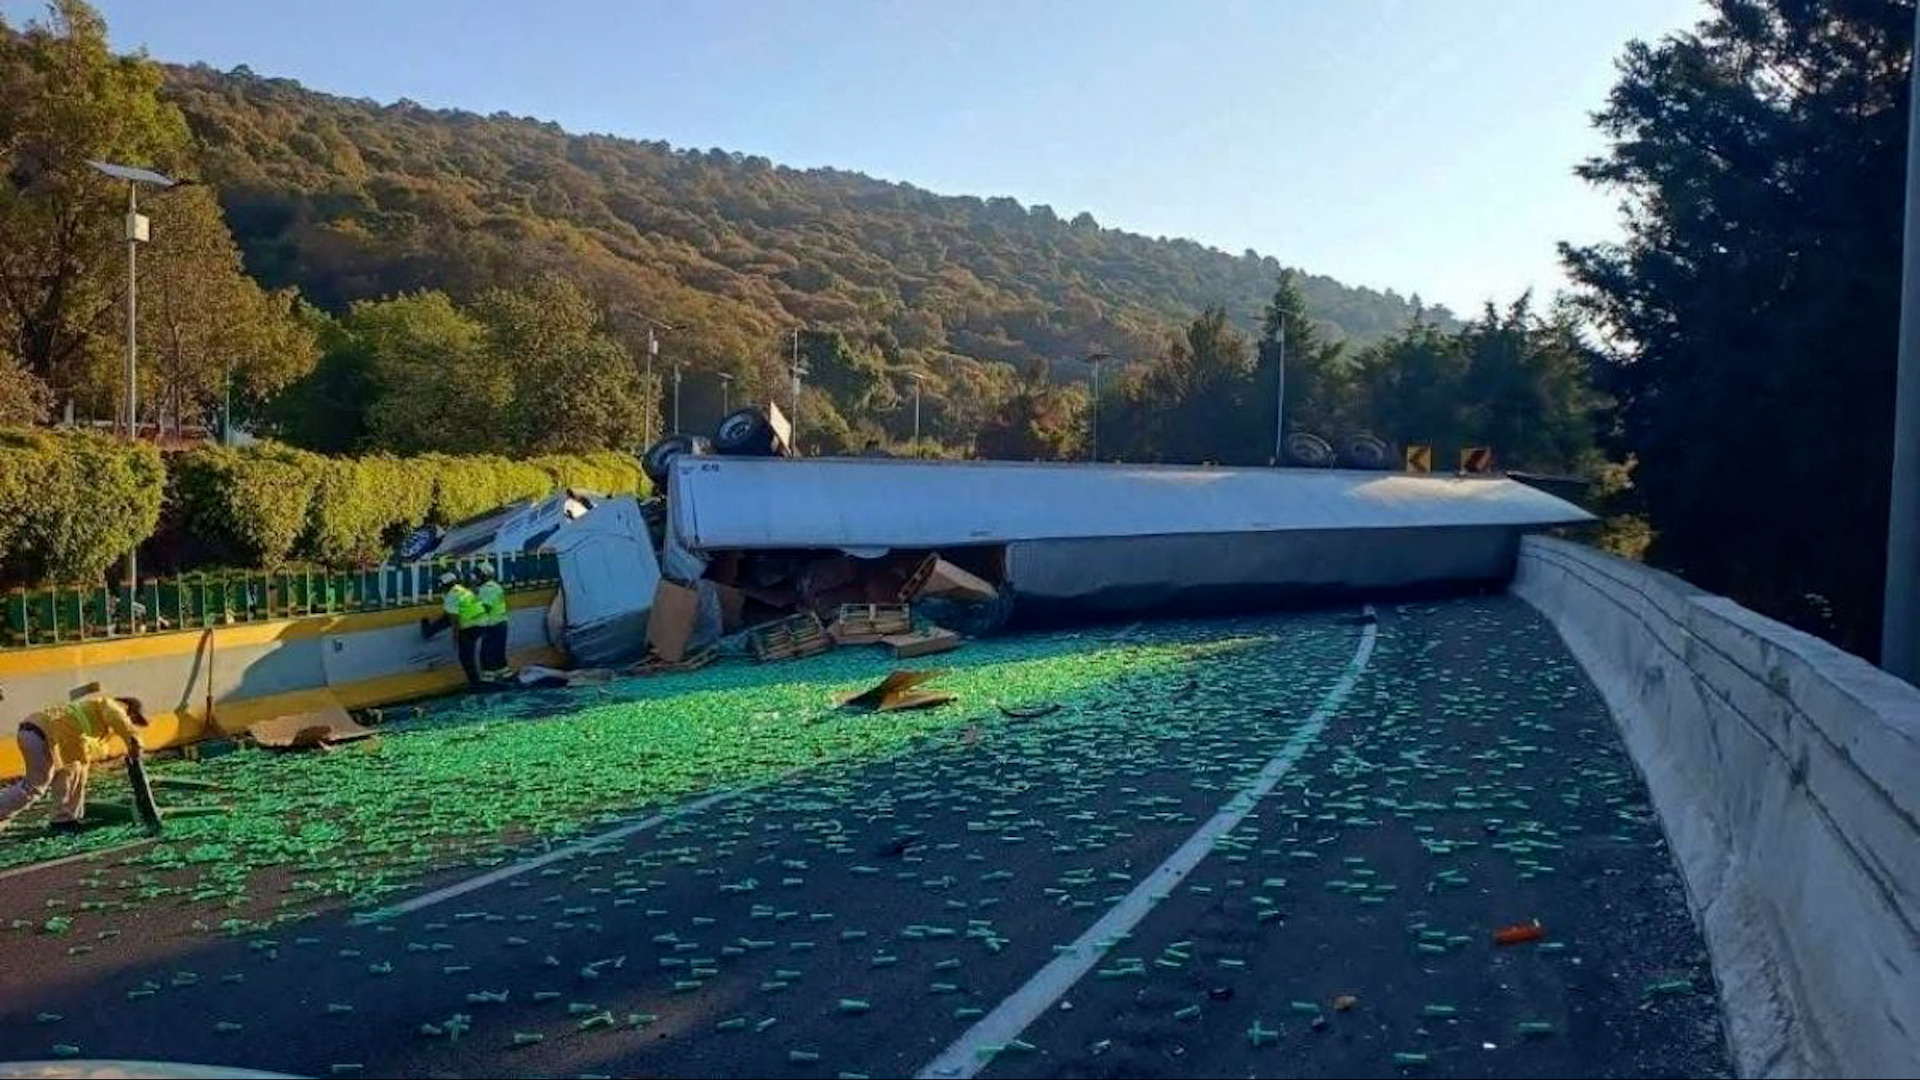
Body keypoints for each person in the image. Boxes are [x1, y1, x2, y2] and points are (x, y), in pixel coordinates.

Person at [0, 694, 150, 833]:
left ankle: (65, 819)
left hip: (34, 731)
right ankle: (64, 819)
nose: (133, 723)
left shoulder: (89, 715)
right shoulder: (112, 706)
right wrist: (134, 743)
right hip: (42, 734)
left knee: (69, 774)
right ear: (130, 711)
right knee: (37, 786)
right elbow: (120, 722)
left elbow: (79, 759)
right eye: (134, 720)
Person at [439, 569, 486, 688]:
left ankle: (475, 683)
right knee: (470, 652)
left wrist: (455, 638)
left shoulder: (451, 596)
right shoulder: (463, 590)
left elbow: (455, 621)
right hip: (481, 622)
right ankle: (477, 680)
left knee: (465, 656)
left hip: (470, 626)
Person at [472, 561, 513, 682]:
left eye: (477, 575)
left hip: (492, 627)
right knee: (499, 655)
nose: (475, 578)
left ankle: (488, 682)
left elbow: (485, 608)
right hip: (501, 625)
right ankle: (507, 678)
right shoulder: (495, 586)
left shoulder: (487, 589)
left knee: (486, 655)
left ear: (483, 575)